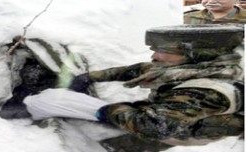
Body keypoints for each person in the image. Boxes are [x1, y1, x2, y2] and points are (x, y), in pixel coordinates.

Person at [68, 24, 244, 150]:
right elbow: (137, 70)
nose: (154, 55)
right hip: (172, 117)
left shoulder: (202, 92)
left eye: (166, 51)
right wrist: (90, 77)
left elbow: (153, 127)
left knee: (119, 145)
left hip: (181, 132)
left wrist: (108, 110)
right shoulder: (190, 67)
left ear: (198, 55)